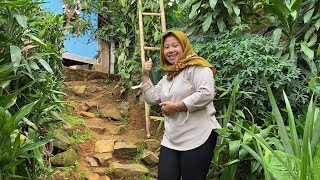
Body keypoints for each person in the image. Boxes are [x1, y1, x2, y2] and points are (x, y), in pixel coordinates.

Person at [141, 30, 221, 180]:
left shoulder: (199, 68)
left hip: (198, 137)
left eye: (175, 45)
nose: (170, 50)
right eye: (166, 47)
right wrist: (145, 75)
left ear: (184, 46)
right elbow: (152, 97)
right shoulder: (168, 77)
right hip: (172, 138)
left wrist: (177, 106)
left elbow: (206, 93)